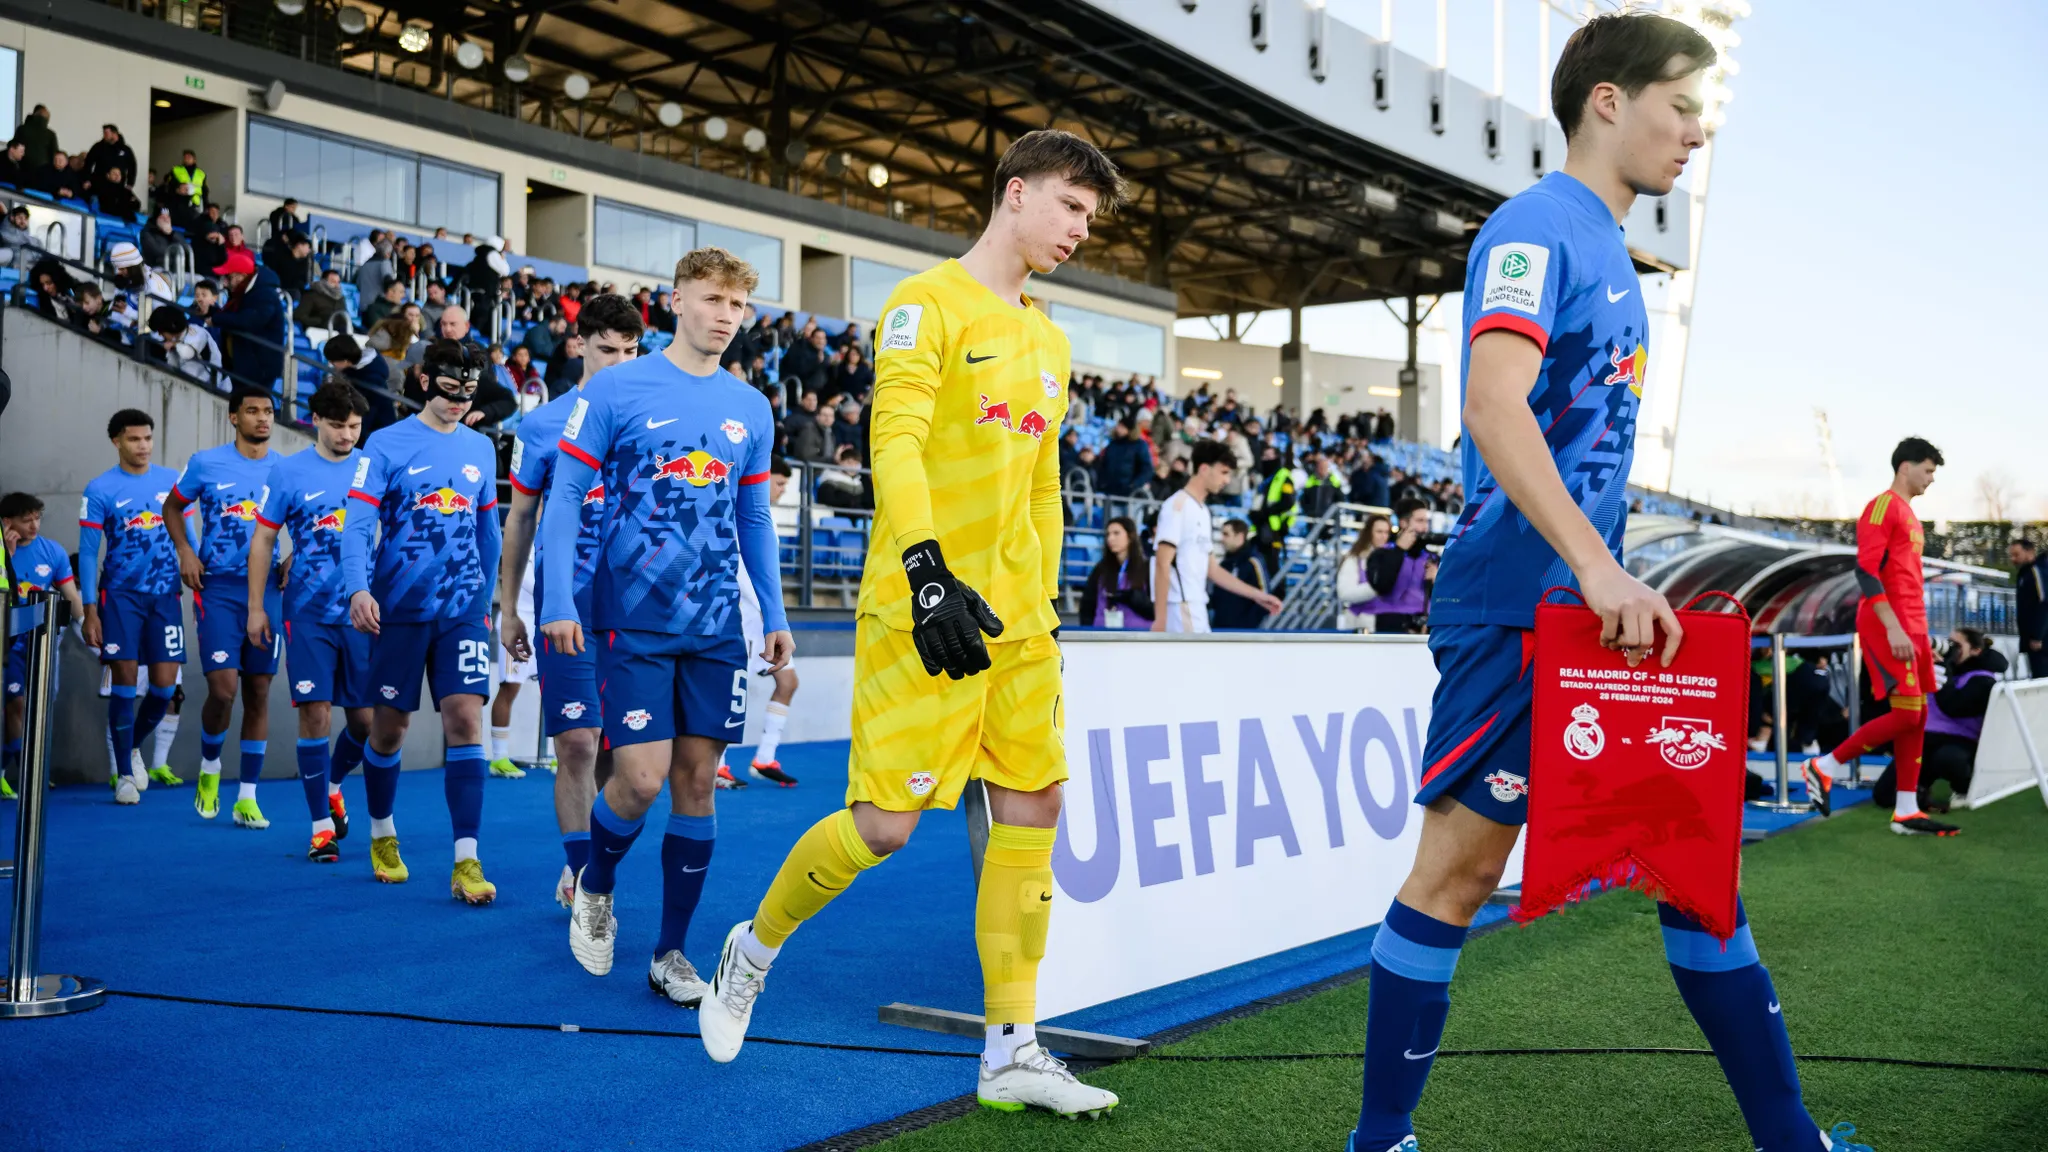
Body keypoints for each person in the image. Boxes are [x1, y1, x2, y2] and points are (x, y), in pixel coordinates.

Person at [1348, 16, 1870, 1152]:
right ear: (1605, 102)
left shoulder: (1613, 256)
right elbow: (1490, 406)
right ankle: (1378, 1140)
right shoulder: (1535, 228)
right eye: (1679, 108)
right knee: (1457, 873)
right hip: (1515, 610)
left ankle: (1790, 1143)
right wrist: (1593, 567)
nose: (1693, 135)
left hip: (1587, 613)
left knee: (1694, 866)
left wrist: (1608, 573)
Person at [696, 131, 1126, 1119]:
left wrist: (1047, 607)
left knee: (1034, 806)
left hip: (1015, 621)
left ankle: (1009, 1049)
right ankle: (750, 950)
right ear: (1013, 194)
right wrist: (925, 571)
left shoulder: (1050, 339)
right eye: (1068, 206)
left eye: (1089, 219)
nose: (1078, 230)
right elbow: (891, 440)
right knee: (884, 829)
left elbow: (1043, 487)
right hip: (922, 608)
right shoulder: (922, 304)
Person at [540, 250, 788, 1006]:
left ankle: (671, 953)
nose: (725, 317)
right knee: (639, 778)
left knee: (696, 786)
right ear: (676, 300)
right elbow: (564, 494)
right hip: (633, 619)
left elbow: (752, 517)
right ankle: (597, 884)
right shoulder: (618, 387)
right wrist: (555, 599)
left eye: (739, 306)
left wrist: (773, 614)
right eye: (713, 300)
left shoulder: (751, 407)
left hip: (715, 626)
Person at [340, 340, 504, 902]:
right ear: (424, 379)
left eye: (469, 389)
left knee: (466, 722)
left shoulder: (482, 449)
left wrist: (486, 602)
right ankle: (382, 832)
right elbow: (358, 524)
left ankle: (467, 860)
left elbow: (489, 535)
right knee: (389, 732)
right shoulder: (384, 444)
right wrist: (358, 587)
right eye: (450, 386)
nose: (459, 398)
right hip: (397, 613)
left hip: (461, 614)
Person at [499, 293, 644, 908]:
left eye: (629, 351)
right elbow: (521, 519)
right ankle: (584, 877)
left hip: (637, 613)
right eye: (605, 349)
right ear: (578, 344)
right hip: (566, 611)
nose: (617, 361)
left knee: (618, 752)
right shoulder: (539, 426)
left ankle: (588, 860)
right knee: (579, 743)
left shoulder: (648, 420)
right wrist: (508, 608)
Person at [1801, 438, 1957, 837]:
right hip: (1890, 624)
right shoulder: (1882, 506)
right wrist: (1893, 627)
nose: (1930, 479)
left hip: (1913, 627)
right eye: (1928, 470)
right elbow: (1866, 571)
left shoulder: (1909, 515)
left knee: (1918, 716)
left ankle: (1906, 810)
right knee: (1906, 713)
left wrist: (1923, 637)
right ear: (1905, 467)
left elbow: (1904, 577)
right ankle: (1825, 765)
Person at [247, 383, 372, 862]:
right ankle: (321, 826)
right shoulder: (288, 470)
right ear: (316, 419)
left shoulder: (372, 467)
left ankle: (335, 785)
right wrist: (258, 608)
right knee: (315, 712)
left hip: (364, 615)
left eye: (355, 426)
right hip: (307, 613)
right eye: (338, 424)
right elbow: (263, 541)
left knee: (363, 723)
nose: (346, 434)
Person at [162, 390, 284, 826]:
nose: (262, 418)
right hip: (216, 588)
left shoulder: (283, 469)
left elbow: (312, 520)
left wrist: (293, 558)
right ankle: (210, 768)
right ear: (234, 417)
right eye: (252, 411)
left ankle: (247, 797)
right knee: (223, 690)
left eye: (268, 411)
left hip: (268, 590)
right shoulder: (205, 462)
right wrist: (185, 551)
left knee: (259, 692)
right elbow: (172, 506)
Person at [79, 410, 194, 804]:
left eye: (147, 438)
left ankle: (131, 747)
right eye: (134, 439)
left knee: (164, 690)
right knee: (125, 686)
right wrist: (90, 609)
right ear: (117, 441)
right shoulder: (99, 488)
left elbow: (189, 537)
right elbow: (90, 552)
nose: (143, 446)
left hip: (166, 597)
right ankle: (125, 776)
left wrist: (196, 568)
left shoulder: (171, 482)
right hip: (121, 598)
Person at [2, 493, 85, 800]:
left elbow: (71, 597)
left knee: (38, 707)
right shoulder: (0, 552)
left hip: (41, 641)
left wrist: (88, 625)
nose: (34, 525)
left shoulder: (53, 552)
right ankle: (25, 772)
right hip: (7, 644)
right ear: (8, 522)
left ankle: (26, 770)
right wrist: (7, 558)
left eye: (38, 517)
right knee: (16, 704)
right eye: (27, 520)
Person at [1151, 440, 1281, 634]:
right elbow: (1162, 563)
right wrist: (1160, 620)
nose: (1227, 480)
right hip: (1180, 608)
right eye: (1224, 472)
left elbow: (1212, 570)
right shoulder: (1177, 506)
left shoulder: (1203, 511)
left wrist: (1257, 595)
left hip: (1197, 607)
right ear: (1204, 469)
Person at [1870, 627, 2003, 813]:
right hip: (1925, 739)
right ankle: (1920, 792)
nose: (1950, 649)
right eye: (1949, 643)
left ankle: (1965, 788)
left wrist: (1943, 670)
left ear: (1975, 650)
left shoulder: (1983, 680)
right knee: (1883, 795)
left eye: (1956, 645)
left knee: (1947, 759)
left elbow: (1953, 707)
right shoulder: (1943, 669)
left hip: (1960, 742)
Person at [210, 251, 288, 390]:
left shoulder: (264, 294)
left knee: (251, 407)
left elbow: (250, 321)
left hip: (258, 368)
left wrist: (216, 319)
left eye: (229, 277)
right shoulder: (242, 292)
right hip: (243, 365)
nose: (226, 283)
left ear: (242, 276)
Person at [1368, 498, 1436, 635]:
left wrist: (1437, 581)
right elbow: (1382, 586)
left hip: (1424, 626)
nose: (1425, 527)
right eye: (1419, 521)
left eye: (1426, 521)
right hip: (1391, 625)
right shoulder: (1382, 553)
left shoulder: (1432, 558)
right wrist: (1398, 551)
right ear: (1403, 523)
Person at [1077, 515, 1152, 630]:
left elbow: (1156, 609)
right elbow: (1087, 605)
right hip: (1102, 637)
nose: (1110, 538)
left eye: (1116, 533)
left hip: (1138, 639)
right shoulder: (1101, 569)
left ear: (1130, 536)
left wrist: (1135, 599)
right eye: (1108, 534)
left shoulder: (1147, 568)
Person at [1208, 518, 1274, 631]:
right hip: (1220, 630)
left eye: (1226, 534)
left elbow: (1264, 598)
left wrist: (1247, 627)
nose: (1222, 539)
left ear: (1240, 536)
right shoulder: (1225, 564)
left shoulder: (1253, 562)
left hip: (1243, 634)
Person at [145, 304, 224, 389]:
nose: (160, 334)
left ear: (171, 327)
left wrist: (174, 345)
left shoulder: (197, 332)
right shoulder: (175, 340)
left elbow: (188, 352)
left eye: (161, 331)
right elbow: (172, 364)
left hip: (214, 387)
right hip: (189, 385)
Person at [1336, 514, 1391, 634]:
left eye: (1386, 532)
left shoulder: (1394, 558)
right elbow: (1344, 593)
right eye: (1379, 532)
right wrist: (1377, 588)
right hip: (1360, 624)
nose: (1383, 536)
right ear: (1369, 533)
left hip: (1387, 623)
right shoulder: (1354, 558)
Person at [2011, 538, 2046, 678]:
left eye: (2017, 555)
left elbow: (2044, 603)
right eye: (2011, 555)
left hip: (2041, 642)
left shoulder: (2037, 571)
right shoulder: (2025, 573)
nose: (2013, 559)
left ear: (2029, 551)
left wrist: (2037, 636)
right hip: (2032, 641)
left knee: (2042, 678)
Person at [168, 149, 206, 218]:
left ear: (194, 160)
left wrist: (206, 206)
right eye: (185, 157)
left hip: (195, 205)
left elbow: (204, 190)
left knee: (194, 225)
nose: (186, 159)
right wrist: (178, 188)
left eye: (189, 157)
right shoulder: (176, 170)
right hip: (179, 203)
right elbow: (170, 185)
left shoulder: (201, 173)